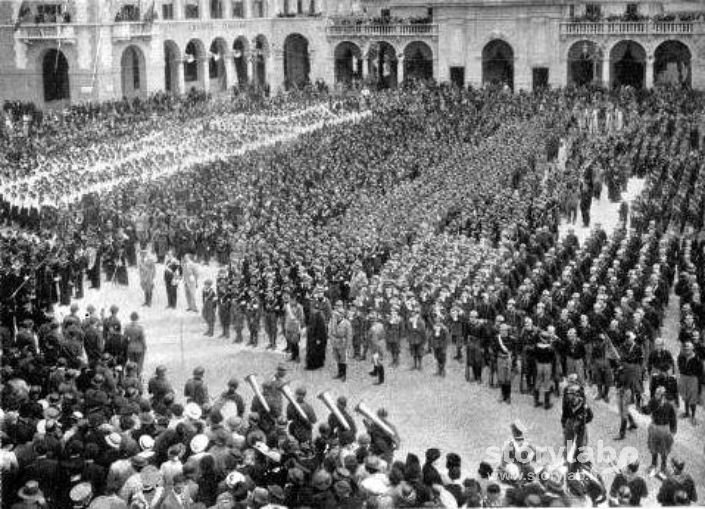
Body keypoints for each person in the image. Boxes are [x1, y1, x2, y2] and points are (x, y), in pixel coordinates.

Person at [642, 386, 677, 476]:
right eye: (656, 393)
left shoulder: (669, 405)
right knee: (653, 447)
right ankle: (653, 464)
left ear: (663, 395)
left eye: (658, 393)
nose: (656, 395)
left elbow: (673, 418)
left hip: (664, 429)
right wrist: (644, 404)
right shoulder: (653, 401)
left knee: (664, 449)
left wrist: (673, 431)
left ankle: (663, 467)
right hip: (654, 427)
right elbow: (647, 411)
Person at [677, 341, 702, 424]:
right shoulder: (681, 356)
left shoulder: (697, 358)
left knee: (692, 397)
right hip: (684, 377)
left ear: (692, 348)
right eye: (685, 348)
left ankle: (693, 416)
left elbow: (700, 371)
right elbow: (679, 365)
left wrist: (697, 381)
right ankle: (687, 413)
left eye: (689, 348)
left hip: (693, 379)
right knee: (685, 396)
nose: (687, 349)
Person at [329, 300, 352, 382]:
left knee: (343, 359)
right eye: (335, 315)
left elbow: (349, 335)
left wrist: (348, 346)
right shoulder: (333, 322)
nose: (335, 316)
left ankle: (344, 375)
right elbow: (331, 332)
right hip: (335, 342)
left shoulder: (347, 323)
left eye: (337, 315)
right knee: (337, 358)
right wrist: (331, 341)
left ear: (342, 315)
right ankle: (339, 373)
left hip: (343, 343)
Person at [283, 291, 304, 362]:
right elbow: (285, 315)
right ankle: (292, 356)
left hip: (295, 327)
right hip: (288, 326)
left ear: (295, 300)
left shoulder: (299, 307)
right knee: (290, 342)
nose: (291, 301)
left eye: (293, 299)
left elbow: (301, 317)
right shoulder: (287, 306)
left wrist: (301, 327)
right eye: (290, 299)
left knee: (295, 342)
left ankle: (297, 356)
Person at [124, 311, 146, 375]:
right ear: (137, 318)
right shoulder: (140, 328)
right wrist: (145, 346)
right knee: (139, 363)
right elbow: (142, 339)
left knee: (132, 363)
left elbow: (125, 338)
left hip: (130, 347)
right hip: (139, 348)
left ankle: (133, 375)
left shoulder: (127, 327)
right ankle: (138, 376)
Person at [368, 311, 386, 385]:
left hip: (376, 346)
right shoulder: (381, 325)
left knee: (378, 361)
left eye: (371, 319)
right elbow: (383, 334)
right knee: (375, 359)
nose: (370, 321)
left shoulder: (372, 328)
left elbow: (371, 338)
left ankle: (381, 379)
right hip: (380, 343)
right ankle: (375, 372)